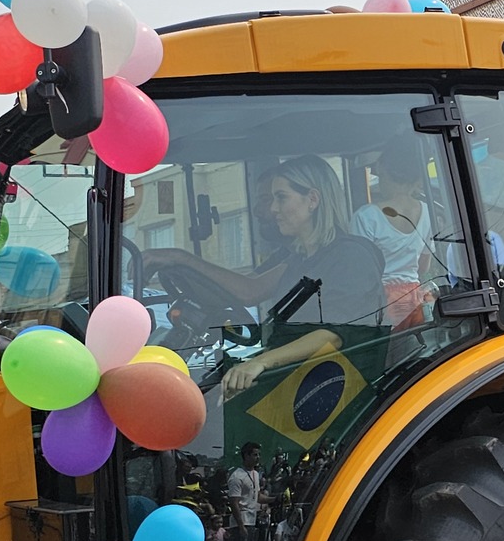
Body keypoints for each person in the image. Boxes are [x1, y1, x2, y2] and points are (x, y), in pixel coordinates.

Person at [145, 155, 385, 393]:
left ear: (312, 199)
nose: (273, 209)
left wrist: (259, 362)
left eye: (281, 198)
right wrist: (181, 258)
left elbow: (333, 334)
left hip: (332, 386)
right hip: (295, 377)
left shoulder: (352, 255)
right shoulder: (297, 260)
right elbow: (249, 290)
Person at [352, 139, 434, 329]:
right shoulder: (428, 212)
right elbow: (423, 266)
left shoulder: (367, 216)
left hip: (381, 301)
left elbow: (360, 272)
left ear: (382, 170)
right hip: (414, 299)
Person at [225, 442, 268, 541]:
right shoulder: (237, 476)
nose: (258, 457)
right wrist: (241, 526)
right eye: (255, 455)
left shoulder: (255, 474)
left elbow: (258, 497)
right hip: (241, 522)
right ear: (246, 456)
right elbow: (234, 503)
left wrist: (274, 499)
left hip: (251, 520)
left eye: (259, 455)